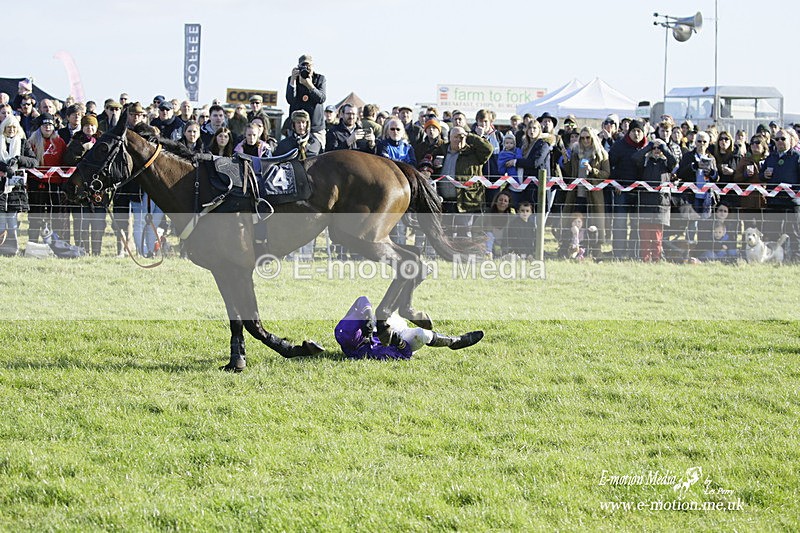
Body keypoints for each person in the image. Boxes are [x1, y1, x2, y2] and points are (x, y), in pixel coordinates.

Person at [334, 296, 484, 360]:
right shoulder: (372, 352)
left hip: (384, 327)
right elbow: (404, 355)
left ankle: (407, 309)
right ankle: (454, 341)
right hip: (400, 337)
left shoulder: (343, 329)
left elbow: (362, 300)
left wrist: (367, 316)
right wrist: (399, 342)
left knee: (382, 311)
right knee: (422, 334)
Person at [432, 126, 492, 237]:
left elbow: (488, 149)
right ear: (450, 138)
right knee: (445, 233)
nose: (459, 139)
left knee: (464, 234)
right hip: (444, 201)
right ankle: (447, 255)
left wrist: (470, 136)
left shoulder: (473, 153)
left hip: (466, 202)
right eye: (456, 137)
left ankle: (463, 255)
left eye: (461, 137)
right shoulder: (441, 151)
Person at [64, 115, 106, 255]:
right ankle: (81, 249)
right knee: (81, 221)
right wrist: (84, 150)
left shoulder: (102, 142)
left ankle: (96, 251)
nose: (90, 128)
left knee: (98, 223)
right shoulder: (75, 142)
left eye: (92, 126)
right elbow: (69, 160)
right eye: (87, 126)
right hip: (80, 188)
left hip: (98, 188)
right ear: (82, 127)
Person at [633, 138, 678, 262]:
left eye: (659, 149)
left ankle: (657, 259)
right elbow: (635, 158)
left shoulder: (666, 164)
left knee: (657, 237)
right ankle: (644, 260)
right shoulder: (645, 162)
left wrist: (664, 147)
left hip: (661, 205)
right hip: (645, 203)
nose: (657, 151)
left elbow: (674, 162)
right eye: (655, 148)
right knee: (645, 237)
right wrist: (649, 146)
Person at [565, 127, 610, 250]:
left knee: (594, 224)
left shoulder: (602, 154)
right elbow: (570, 172)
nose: (585, 140)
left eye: (588, 137)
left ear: (593, 138)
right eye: (583, 138)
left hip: (593, 195)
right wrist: (566, 161)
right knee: (576, 223)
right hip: (577, 194)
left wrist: (592, 170)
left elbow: (606, 173)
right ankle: (574, 248)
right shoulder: (575, 152)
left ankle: (595, 250)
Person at [609, 119, 648, 259]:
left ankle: (633, 252)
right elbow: (610, 166)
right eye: (634, 131)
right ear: (628, 132)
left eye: (639, 131)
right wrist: (615, 183)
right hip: (621, 190)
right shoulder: (619, 146)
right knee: (620, 222)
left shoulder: (648, 147)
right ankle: (618, 252)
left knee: (636, 223)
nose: (636, 134)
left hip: (640, 192)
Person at [759, 128, 800, 261]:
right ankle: (773, 258)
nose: (780, 142)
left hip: (791, 202)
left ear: (790, 140)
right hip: (774, 202)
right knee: (772, 232)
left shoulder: (796, 157)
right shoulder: (771, 157)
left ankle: (795, 258)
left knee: (794, 233)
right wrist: (764, 175)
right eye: (777, 139)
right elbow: (761, 175)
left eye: (783, 139)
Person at [27, 113, 68, 242]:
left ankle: (56, 242)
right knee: (35, 214)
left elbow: (64, 161)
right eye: (45, 125)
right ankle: (33, 241)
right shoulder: (32, 141)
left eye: (50, 125)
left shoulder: (59, 141)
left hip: (55, 183)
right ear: (40, 127)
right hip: (36, 182)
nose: (48, 127)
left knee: (56, 214)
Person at [0, 115, 36, 255]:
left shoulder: (23, 143)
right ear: (4, 128)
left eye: (14, 127)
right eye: (8, 127)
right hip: (1, 186)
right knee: (1, 218)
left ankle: (13, 248)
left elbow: (34, 161)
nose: (11, 130)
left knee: (12, 219)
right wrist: (3, 167)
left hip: (16, 187)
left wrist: (19, 159)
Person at [287, 53, 327, 150]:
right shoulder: (293, 79)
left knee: (317, 154)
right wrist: (293, 81)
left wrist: (309, 85)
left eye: (308, 66)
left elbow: (321, 98)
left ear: (313, 66)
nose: (306, 68)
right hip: (297, 127)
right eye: (303, 66)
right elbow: (290, 99)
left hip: (315, 127)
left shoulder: (320, 79)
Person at [733, 134, 768, 231]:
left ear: (764, 145)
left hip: (765, 200)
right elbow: (736, 178)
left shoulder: (769, 159)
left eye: (757, 142)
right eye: (752, 143)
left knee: (764, 230)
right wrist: (745, 175)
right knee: (749, 230)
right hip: (749, 201)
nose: (754, 145)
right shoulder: (745, 160)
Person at [482, 190, 515, 258]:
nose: (502, 202)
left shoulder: (512, 218)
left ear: (508, 204)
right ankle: (488, 255)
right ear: (496, 201)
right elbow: (475, 230)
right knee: (489, 235)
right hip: (486, 246)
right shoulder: (486, 214)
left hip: (504, 247)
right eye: (500, 200)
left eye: (505, 201)